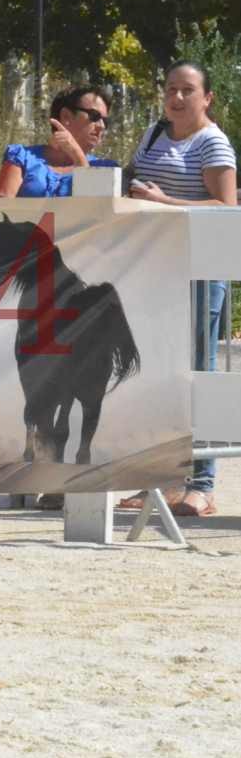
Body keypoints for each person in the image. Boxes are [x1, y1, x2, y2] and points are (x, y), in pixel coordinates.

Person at [117, 61, 236, 518]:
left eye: (188, 90)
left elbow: (225, 206)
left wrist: (164, 204)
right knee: (158, 375)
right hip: (153, 271)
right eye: (171, 89)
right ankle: (160, 480)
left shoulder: (213, 142)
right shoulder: (152, 134)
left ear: (207, 98)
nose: (178, 98)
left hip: (200, 271)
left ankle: (202, 484)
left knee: (198, 375)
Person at [0, 85, 118, 198]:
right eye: (94, 116)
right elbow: (0, 211)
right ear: (66, 116)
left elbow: (99, 212)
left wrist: (77, 155)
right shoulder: (23, 158)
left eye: (105, 121)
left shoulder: (106, 169)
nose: (101, 126)